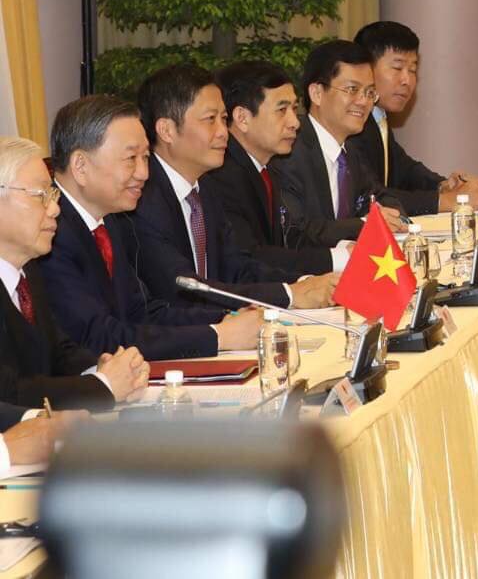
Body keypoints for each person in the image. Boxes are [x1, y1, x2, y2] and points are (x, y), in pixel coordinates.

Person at [44, 95, 265, 359]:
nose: (144, 173)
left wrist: (226, 318)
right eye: (131, 158)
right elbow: (99, 336)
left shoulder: (110, 221)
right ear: (80, 166)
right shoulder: (50, 233)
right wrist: (218, 336)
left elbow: (142, 313)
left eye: (146, 157)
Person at [132, 64, 339, 313]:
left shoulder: (205, 187)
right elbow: (184, 289)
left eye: (223, 119)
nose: (223, 132)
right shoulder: (143, 200)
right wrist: (290, 295)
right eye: (210, 120)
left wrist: (305, 284)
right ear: (166, 130)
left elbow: (238, 267)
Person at [0, 135, 149, 410]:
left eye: (53, 195)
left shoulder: (29, 271)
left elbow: (58, 352)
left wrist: (100, 368)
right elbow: (7, 393)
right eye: (40, 195)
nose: (55, 209)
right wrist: (102, 385)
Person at [269, 40, 436, 250]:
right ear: (317, 93)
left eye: (369, 92)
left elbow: (381, 196)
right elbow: (296, 233)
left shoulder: (351, 149)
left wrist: (394, 217)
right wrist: (365, 224)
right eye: (352, 89)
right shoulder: (288, 151)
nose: (363, 101)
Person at [206, 60, 350, 278]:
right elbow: (250, 257)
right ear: (242, 118)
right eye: (282, 110)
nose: (295, 123)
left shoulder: (268, 169)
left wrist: (344, 248)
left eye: (294, 109)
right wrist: (338, 258)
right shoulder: (221, 176)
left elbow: (292, 237)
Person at [350, 21, 478, 202]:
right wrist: (445, 201)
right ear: (365, 69)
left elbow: (404, 169)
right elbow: (372, 194)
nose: (407, 80)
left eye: (413, 70)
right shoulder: (353, 122)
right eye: (397, 68)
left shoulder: (378, 116)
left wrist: (443, 185)